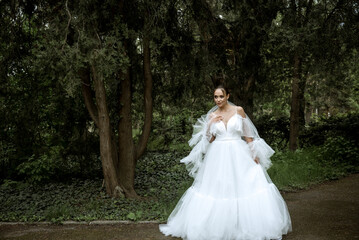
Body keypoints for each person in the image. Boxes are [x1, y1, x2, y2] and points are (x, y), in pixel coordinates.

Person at [159, 85, 292, 240]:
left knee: (244, 185)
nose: (218, 100)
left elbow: (247, 133)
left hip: (238, 152)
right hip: (218, 154)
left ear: (228, 96)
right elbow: (209, 139)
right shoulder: (212, 115)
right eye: (215, 97)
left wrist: (254, 152)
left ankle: (244, 225)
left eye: (221, 96)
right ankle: (217, 226)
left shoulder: (238, 111)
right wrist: (210, 124)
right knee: (218, 188)